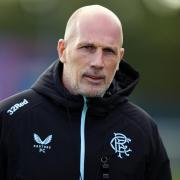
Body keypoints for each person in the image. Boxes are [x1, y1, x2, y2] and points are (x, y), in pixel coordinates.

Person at [0, 4, 172, 180]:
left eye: (108, 51)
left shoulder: (142, 129)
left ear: (120, 58)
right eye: (87, 48)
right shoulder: (10, 119)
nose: (98, 62)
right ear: (62, 50)